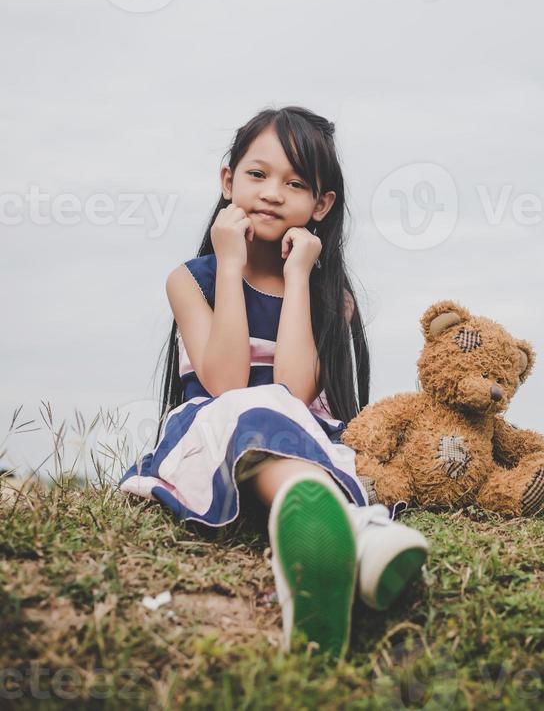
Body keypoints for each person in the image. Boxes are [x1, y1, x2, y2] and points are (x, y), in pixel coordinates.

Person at [117, 105, 428, 659]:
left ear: (322, 205)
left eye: (296, 183)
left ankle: (326, 543)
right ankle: (357, 534)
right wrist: (230, 266)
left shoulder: (330, 295)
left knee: (277, 416)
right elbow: (227, 383)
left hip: (303, 435)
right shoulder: (192, 280)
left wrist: (299, 277)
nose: (272, 193)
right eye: (257, 175)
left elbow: (295, 392)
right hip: (214, 431)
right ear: (227, 179)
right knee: (252, 410)